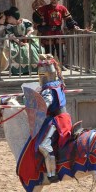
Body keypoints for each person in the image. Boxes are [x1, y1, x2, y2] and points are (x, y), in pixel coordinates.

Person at [36, 53, 72, 183]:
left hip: (57, 121)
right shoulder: (59, 83)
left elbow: (45, 105)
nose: (40, 77)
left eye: (40, 75)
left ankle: (52, 174)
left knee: (44, 146)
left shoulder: (48, 89)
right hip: (65, 117)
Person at [33, 0, 80, 67]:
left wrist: (74, 26)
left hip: (58, 32)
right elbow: (35, 16)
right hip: (48, 31)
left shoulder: (62, 8)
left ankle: (62, 65)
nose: (54, 0)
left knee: (60, 49)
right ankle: (49, 66)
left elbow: (68, 19)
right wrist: (41, 24)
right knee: (49, 50)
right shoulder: (44, 8)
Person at [4, 6, 43, 75]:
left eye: (8, 17)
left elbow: (30, 29)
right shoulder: (9, 26)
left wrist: (27, 36)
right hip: (16, 41)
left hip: (27, 40)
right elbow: (11, 36)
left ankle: (32, 69)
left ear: (13, 17)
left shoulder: (25, 21)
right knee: (19, 51)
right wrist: (19, 42)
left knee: (32, 50)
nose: (7, 19)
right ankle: (20, 70)